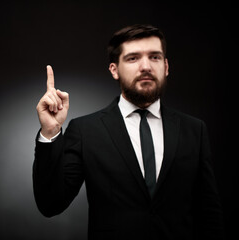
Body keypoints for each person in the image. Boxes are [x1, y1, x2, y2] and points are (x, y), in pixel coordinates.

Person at [33, 24, 224, 239]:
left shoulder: (194, 130)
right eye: (133, 58)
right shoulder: (86, 131)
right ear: (114, 69)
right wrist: (49, 132)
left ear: (166, 66)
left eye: (155, 57)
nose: (146, 66)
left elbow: (209, 213)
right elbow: (50, 204)